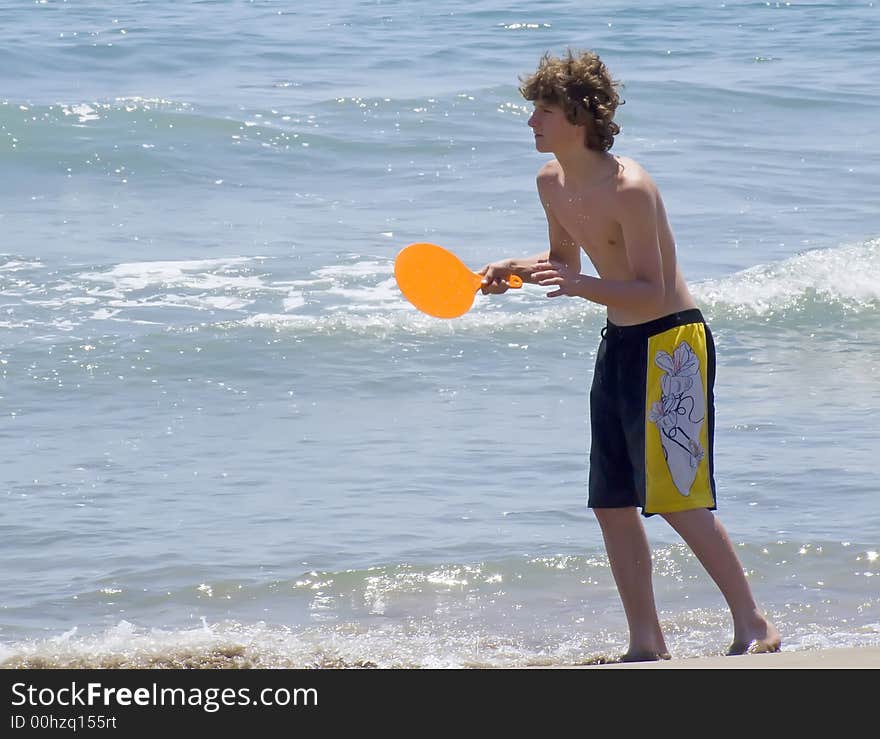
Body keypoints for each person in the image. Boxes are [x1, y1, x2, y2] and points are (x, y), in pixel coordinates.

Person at [480, 49, 780, 661]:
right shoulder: (550, 183)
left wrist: (582, 286)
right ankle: (646, 641)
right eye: (532, 109)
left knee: (676, 498)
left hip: (673, 346)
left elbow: (653, 288)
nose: (531, 122)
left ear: (580, 116)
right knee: (612, 503)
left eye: (543, 110)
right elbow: (564, 263)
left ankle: (754, 624)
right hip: (618, 345)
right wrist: (513, 272)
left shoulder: (632, 188)